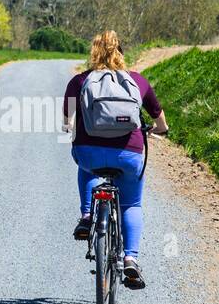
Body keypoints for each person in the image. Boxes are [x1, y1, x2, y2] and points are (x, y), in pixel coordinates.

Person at [61, 30, 167, 290]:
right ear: (121, 52)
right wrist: (157, 131)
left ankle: (87, 216)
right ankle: (130, 258)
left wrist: (77, 132)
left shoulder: (80, 81)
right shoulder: (137, 81)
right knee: (131, 204)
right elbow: (160, 121)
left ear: (93, 52)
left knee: (86, 168)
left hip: (90, 153)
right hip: (129, 154)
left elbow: (67, 123)